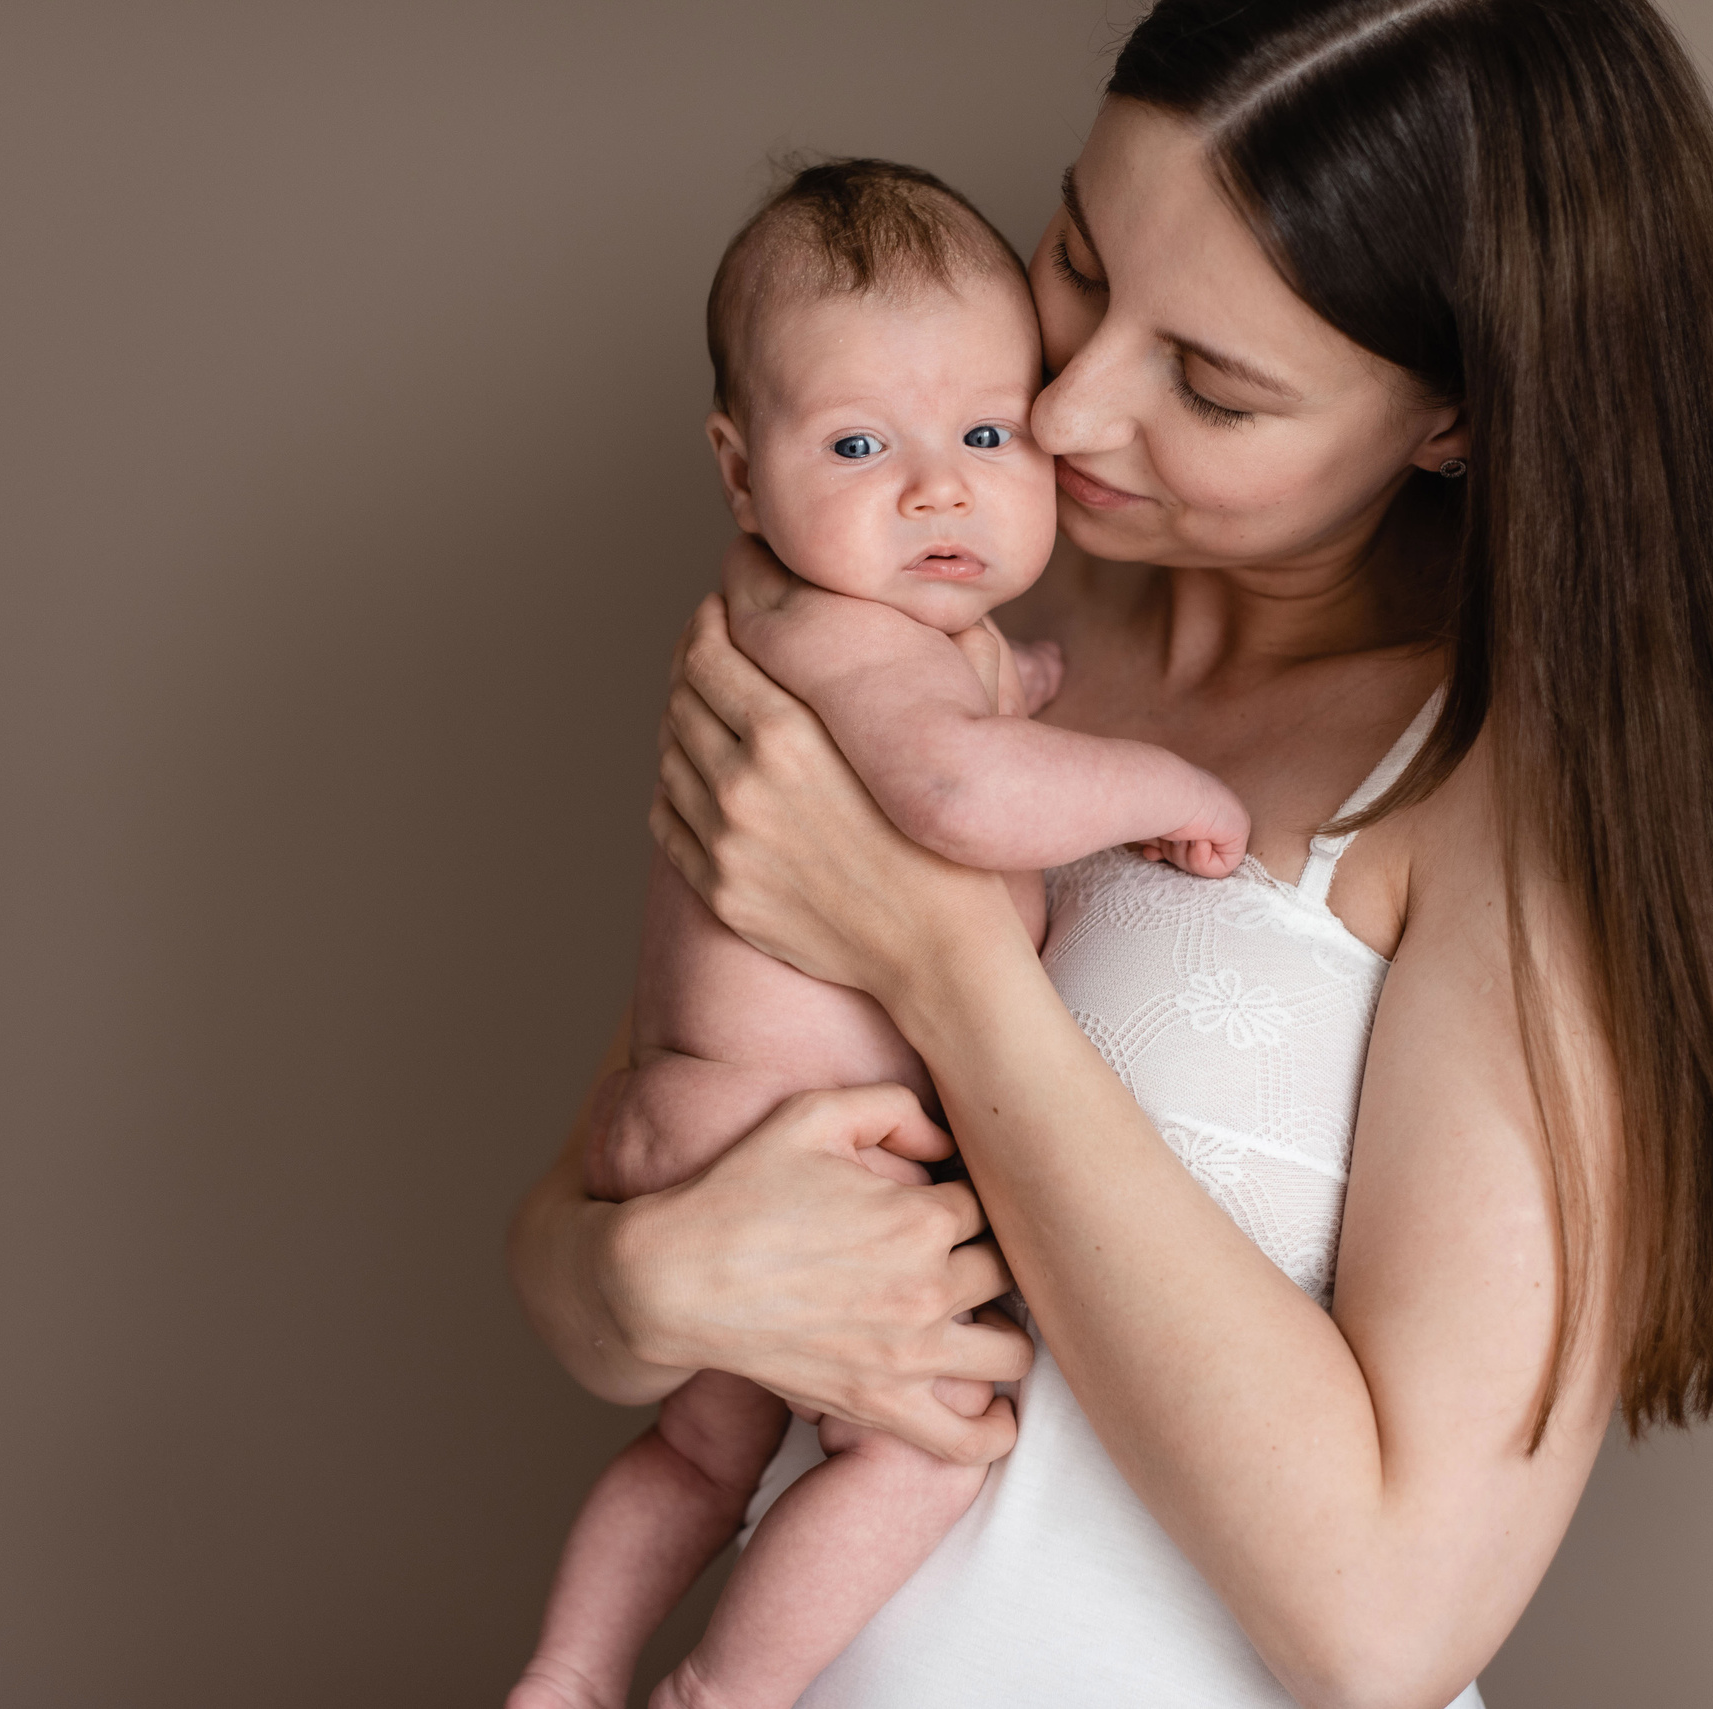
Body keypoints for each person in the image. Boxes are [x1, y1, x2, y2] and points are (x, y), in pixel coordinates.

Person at [510, 1, 1713, 1703]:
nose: (1076, 412)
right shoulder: (927, 612)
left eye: (1213, 383)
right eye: (1083, 261)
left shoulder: (1503, 800)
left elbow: (1385, 1624)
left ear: (1452, 420)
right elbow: (609, 1197)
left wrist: (945, 964)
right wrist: (642, 1279)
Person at [511, 158, 1250, 1709]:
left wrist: (1016, 688)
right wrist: (1160, 782)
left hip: (701, 1117)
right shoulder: (850, 632)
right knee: (935, 1442)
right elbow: (959, 790)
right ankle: (719, 1689)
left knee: (703, 1446)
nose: (938, 488)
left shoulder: (811, 615)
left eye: (986, 435)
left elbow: (953, 720)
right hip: (793, 1140)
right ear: (739, 468)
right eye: (860, 444)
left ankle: (570, 1670)